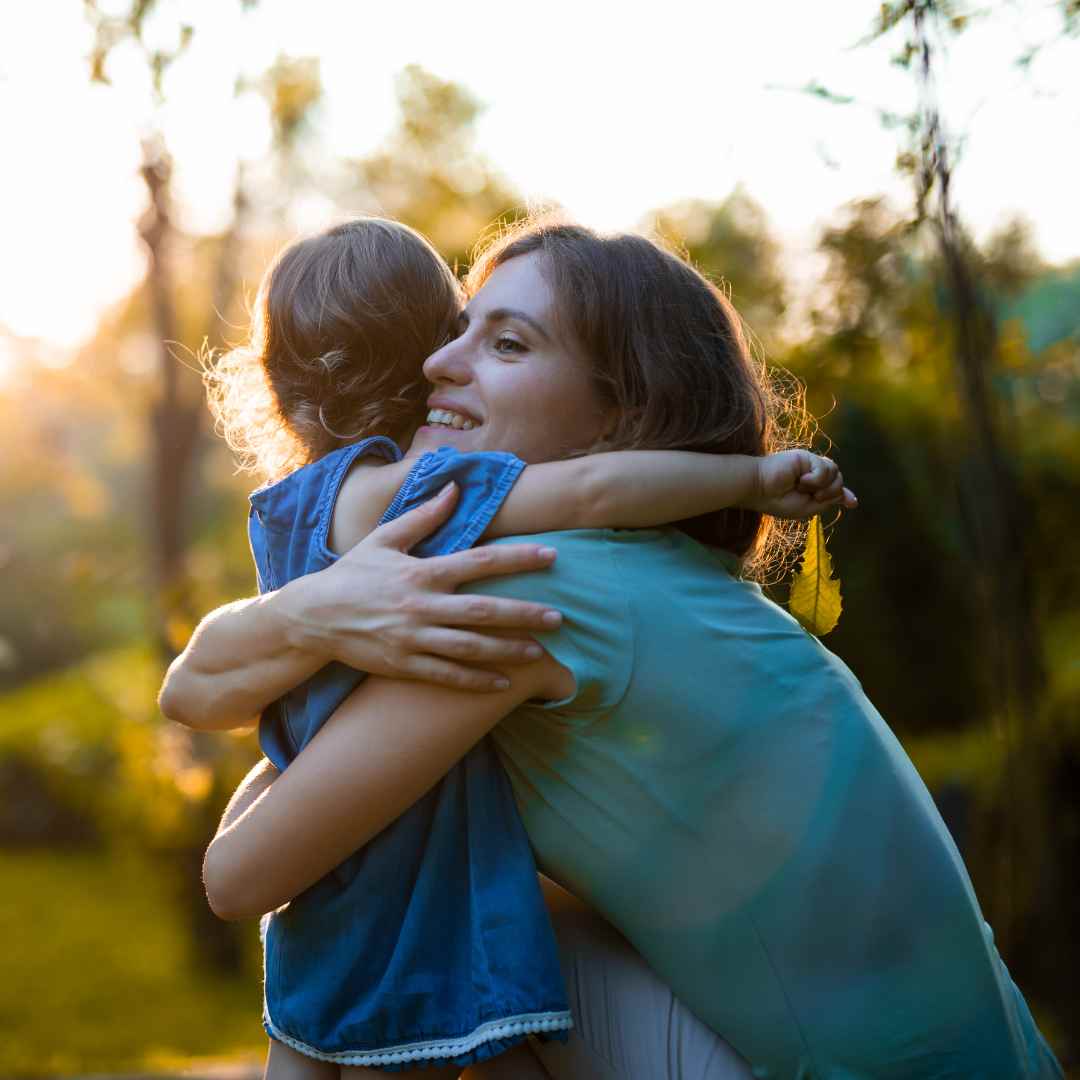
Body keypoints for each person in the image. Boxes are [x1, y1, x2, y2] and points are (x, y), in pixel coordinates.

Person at [169, 217, 1061, 1077]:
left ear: (620, 415)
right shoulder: (653, 572)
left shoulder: (536, 583)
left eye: (507, 344)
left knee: (454, 930)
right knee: (464, 880)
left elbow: (240, 873)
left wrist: (310, 627)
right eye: (458, 330)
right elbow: (202, 692)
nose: (437, 362)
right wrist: (314, 614)